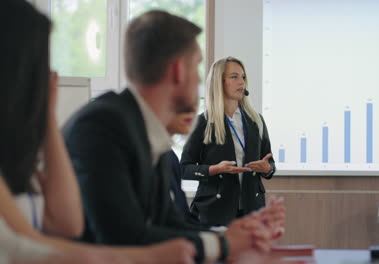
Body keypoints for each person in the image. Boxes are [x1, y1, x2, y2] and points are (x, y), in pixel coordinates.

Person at [63, 10, 273, 263]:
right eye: (196, 67)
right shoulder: (102, 127)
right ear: (178, 70)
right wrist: (224, 243)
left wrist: (233, 235)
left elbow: (171, 224)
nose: (199, 80)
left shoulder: (150, 134)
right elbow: (123, 237)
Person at [0, 1, 196, 263]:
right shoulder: (103, 124)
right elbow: (32, 246)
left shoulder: (20, 155)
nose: (48, 75)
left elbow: (68, 223)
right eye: (38, 64)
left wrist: (47, 115)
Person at [180, 56, 276, 226]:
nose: (242, 82)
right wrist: (213, 169)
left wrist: (267, 168)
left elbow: (270, 165)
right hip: (214, 211)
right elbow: (184, 169)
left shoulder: (256, 121)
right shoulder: (203, 122)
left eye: (243, 77)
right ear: (219, 82)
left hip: (252, 210)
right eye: (234, 77)